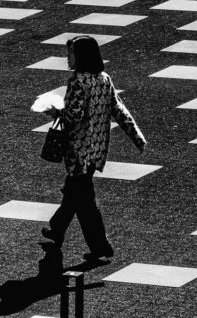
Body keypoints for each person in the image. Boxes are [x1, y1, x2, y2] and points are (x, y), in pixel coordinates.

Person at [38, 34, 147, 264]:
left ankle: (100, 246)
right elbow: (118, 109)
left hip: (78, 150)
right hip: (96, 148)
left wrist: (55, 111)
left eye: (71, 53)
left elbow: (74, 115)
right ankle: (57, 229)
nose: (68, 58)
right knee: (74, 190)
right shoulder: (104, 79)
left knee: (84, 199)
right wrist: (136, 136)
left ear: (81, 56)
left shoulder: (78, 82)